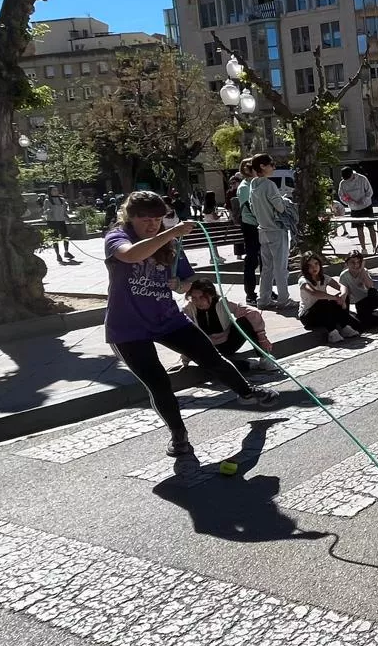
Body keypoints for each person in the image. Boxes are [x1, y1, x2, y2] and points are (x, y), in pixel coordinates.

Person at [105, 192, 279, 456]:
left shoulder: (170, 243)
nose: (152, 225)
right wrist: (170, 233)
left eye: (157, 220)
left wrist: (181, 285)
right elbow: (130, 256)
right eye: (145, 220)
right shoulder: (118, 237)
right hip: (127, 327)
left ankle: (246, 392)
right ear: (130, 217)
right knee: (158, 382)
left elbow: (188, 280)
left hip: (167, 318)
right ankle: (179, 435)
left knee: (211, 357)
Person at [179, 277, 276, 373]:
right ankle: (248, 364)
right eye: (194, 298)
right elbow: (186, 335)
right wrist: (185, 360)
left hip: (229, 342)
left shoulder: (222, 303)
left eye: (201, 297)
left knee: (245, 321)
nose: (198, 302)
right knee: (210, 366)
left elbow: (252, 312)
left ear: (211, 295)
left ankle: (264, 358)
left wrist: (262, 337)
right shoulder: (188, 309)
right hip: (209, 348)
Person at [248, 155, 295, 309]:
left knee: (267, 268)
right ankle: (283, 299)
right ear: (262, 166)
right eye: (271, 164)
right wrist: (285, 201)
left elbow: (252, 208)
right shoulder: (269, 185)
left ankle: (263, 299)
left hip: (262, 229)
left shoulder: (253, 184)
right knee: (281, 267)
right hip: (276, 229)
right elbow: (280, 207)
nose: (274, 167)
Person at [297, 253, 360, 343]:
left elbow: (342, 287)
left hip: (323, 312)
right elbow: (314, 293)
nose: (314, 267)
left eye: (316, 264)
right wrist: (335, 298)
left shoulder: (324, 277)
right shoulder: (303, 280)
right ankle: (332, 333)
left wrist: (343, 296)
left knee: (342, 295)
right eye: (310, 265)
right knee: (323, 301)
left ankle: (345, 327)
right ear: (305, 267)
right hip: (308, 316)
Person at [340, 250, 378, 328]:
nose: (355, 265)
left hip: (370, 299)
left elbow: (370, 285)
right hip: (359, 303)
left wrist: (362, 270)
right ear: (347, 263)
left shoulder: (364, 271)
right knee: (367, 324)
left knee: (373, 291)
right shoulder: (344, 275)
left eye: (358, 262)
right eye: (352, 262)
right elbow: (344, 288)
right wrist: (343, 296)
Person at [233, 159, 262, 304]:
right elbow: (250, 207)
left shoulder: (258, 183)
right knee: (252, 260)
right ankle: (250, 294)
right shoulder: (245, 187)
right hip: (250, 226)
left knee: (265, 260)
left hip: (261, 225)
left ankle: (266, 291)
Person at [337, 165, 376, 253]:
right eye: (345, 179)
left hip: (366, 206)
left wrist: (364, 200)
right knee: (359, 229)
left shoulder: (362, 179)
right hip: (354, 209)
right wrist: (349, 202)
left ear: (352, 174)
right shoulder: (342, 183)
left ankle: (374, 247)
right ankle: (363, 249)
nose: (347, 180)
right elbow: (342, 196)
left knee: (371, 227)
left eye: (348, 178)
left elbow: (369, 192)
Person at [41, 186, 76, 265]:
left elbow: (64, 211)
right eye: (54, 190)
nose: (56, 192)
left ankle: (66, 252)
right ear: (50, 192)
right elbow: (44, 212)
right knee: (55, 238)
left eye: (56, 190)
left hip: (61, 220)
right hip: (52, 221)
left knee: (66, 237)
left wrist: (68, 218)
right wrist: (48, 211)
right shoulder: (47, 200)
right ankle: (57, 254)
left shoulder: (62, 200)